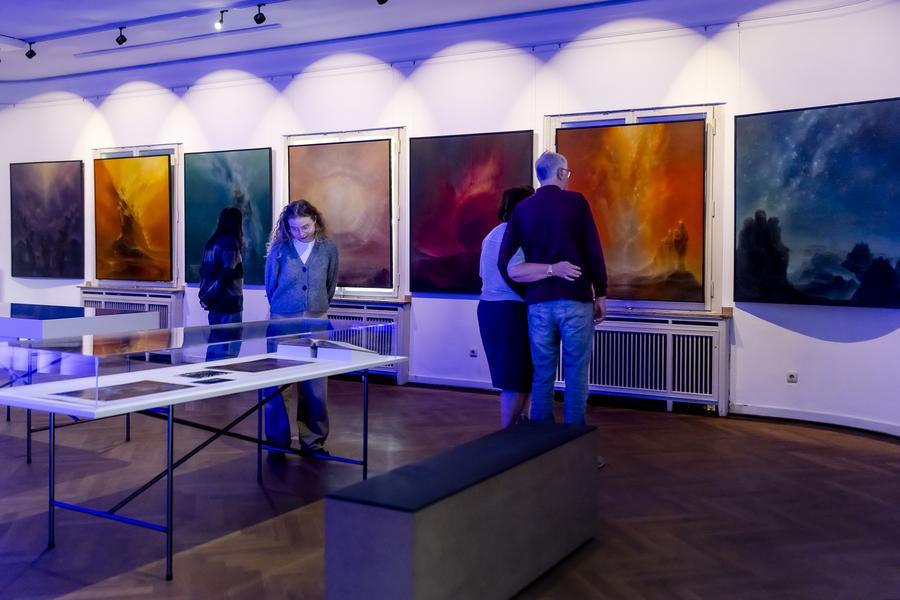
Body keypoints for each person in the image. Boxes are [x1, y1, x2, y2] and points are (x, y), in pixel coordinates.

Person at [498, 151, 608, 434]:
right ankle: (574, 439)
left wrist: (526, 291)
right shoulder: (576, 202)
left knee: (542, 373)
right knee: (576, 372)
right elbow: (593, 250)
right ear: (560, 173)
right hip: (575, 300)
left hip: (538, 303)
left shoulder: (522, 209)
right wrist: (601, 293)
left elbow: (504, 261)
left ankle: (541, 439)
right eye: (567, 173)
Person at [264, 200, 339, 461]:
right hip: (282, 322)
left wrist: (316, 307)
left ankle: (313, 442)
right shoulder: (279, 249)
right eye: (294, 228)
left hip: (316, 320)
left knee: (316, 383)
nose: (300, 233)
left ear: (315, 221)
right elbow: (270, 286)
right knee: (278, 384)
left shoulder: (328, 248)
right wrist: (286, 307)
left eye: (305, 227)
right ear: (287, 227)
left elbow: (330, 284)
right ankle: (277, 443)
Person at [477, 185, 534, 428]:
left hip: (492, 308)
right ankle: (507, 433)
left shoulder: (492, 234)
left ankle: (518, 429)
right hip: (510, 310)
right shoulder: (516, 235)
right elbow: (518, 275)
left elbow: (483, 275)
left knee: (521, 375)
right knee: (516, 378)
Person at [198, 207, 244, 360]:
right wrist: (209, 298)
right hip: (229, 304)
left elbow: (204, 274)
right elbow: (226, 275)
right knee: (228, 349)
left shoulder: (212, 242)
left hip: (214, 304)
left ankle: (209, 374)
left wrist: (205, 298)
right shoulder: (230, 244)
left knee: (215, 344)